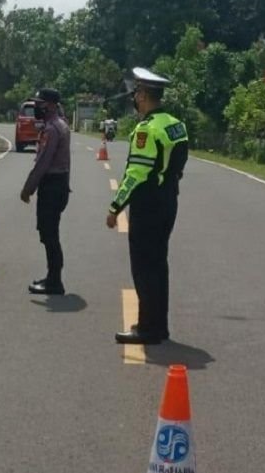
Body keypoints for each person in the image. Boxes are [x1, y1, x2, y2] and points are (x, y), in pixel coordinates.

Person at [106, 68, 188, 344]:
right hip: (168, 201)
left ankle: (147, 328)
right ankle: (158, 326)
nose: (135, 98)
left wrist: (116, 206)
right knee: (158, 265)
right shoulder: (176, 125)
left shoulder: (146, 129)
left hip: (148, 205)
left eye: (136, 93)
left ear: (143, 95)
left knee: (143, 268)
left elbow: (137, 173)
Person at [20, 88, 71, 295]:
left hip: (51, 186)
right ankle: (52, 277)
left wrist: (28, 188)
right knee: (50, 233)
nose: (37, 107)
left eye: (40, 104)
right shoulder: (62, 125)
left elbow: (43, 162)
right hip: (60, 185)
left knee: (49, 234)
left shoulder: (52, 129)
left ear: (49, 105)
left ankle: (54, 281)